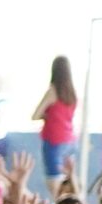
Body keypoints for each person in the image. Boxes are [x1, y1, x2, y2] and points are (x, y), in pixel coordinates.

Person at [33, 55, 81, 183]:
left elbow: (35, 115)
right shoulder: (72, 92)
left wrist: (47, 116)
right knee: (69, 181)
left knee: (54, 182)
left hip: (54, 140)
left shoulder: (52, 91)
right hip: (70, 140)